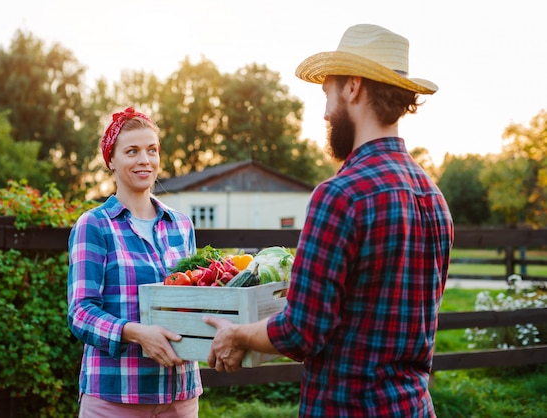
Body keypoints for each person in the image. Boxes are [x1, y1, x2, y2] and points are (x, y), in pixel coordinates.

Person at [204, 24, 454, 417]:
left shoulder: (341, 194)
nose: (325, 111)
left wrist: (236, 333)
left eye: (328, 93)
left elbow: (301, 331)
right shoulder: (433, 197)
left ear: (352, 87)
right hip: (415, 407)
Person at [67, 107, 202, 417]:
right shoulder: (94, 225)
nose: (145, 159)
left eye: (151, 150)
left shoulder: (181, 225)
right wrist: (137, 333)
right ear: (111, 161)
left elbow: (196, 298)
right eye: (132, 151)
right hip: (116, 396)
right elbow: (81, 313)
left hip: (179, 394)